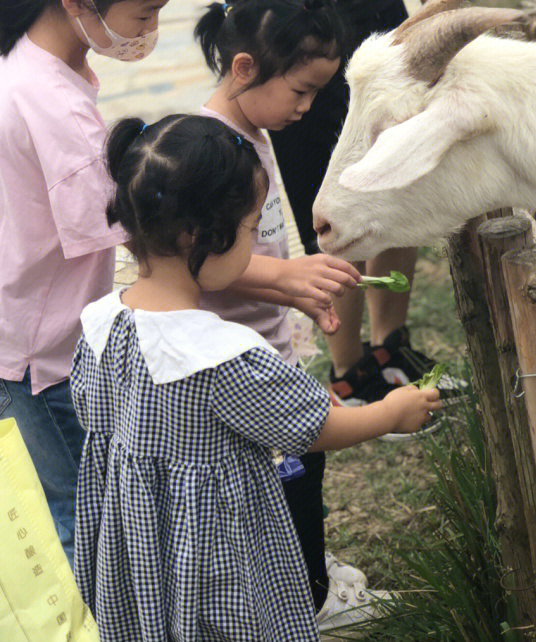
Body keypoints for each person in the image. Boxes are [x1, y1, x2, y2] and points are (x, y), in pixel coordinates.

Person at [71, 114, 441, 641]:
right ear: (198, 235)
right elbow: (311, 430)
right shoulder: (219, 355)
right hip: (212, 556)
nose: (255, 249)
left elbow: (95, 417)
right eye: (250, 230)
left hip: (138, 545)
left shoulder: (100, 323)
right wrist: (390, 412)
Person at [166, 0, 470, 411]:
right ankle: (349, 370)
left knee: (400, 159)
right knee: (329, 190)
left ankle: (389, 344)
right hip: (283, 20)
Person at [0, 0, 184, 566]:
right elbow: (127, 234)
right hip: (29, 354)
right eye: (143, 13)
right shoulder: (59, 108)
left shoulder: (20, 57)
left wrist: (17, 199)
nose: (150, 31)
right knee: (84, 508)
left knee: (76, 495)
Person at [194, 0, 428, 625]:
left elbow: (253, 254)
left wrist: (304, 290)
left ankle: (303, 578)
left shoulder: (253, 136)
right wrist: (289, 280)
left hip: (263, 346)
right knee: (296, 463)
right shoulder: (213, 150)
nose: (306, 108)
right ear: (245, 68)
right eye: (301, 91)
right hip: (232, 360)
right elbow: (201, 264)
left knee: (297, 465)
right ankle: (305, 600)